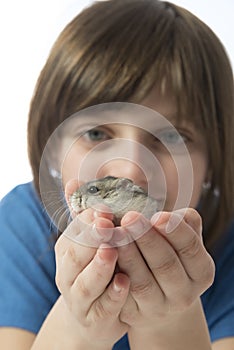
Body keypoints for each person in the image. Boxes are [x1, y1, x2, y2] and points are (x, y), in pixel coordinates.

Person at [0, 0, 234, 349]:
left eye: (170, 137)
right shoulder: (21, 225)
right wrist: (80, 325)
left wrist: (170, 318)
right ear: (53, 143)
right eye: (97, 135)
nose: (130, 170)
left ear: (214, 159)